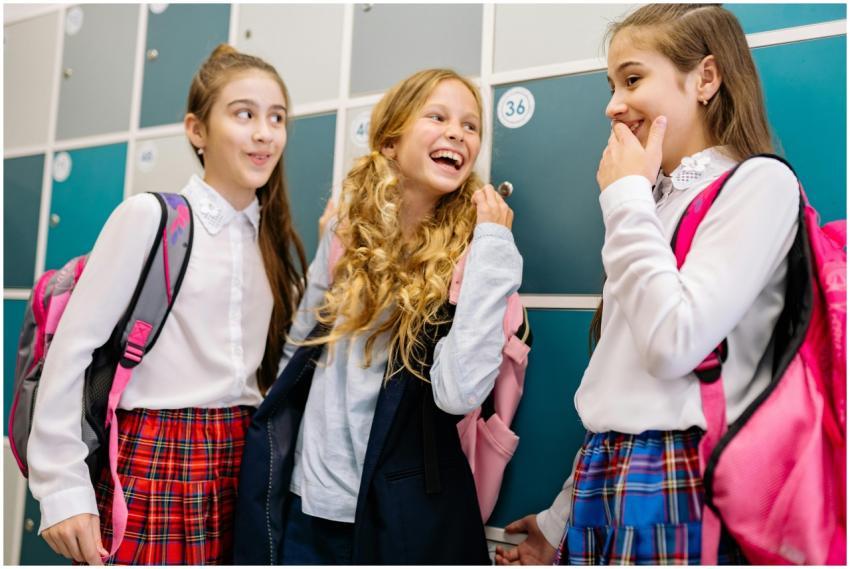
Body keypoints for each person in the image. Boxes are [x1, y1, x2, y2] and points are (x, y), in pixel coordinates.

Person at [496, 4, 799, 565]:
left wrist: (625, 198)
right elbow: (621, 386)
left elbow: (673, 345)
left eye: (633, 79)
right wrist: (560, 518)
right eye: (612, 84)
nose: (613, 104)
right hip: (606, 471)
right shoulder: (650, 199)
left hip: (681, 475)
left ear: (705, 78)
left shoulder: (758, 183)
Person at [27, 44, 307, 565]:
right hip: (157, 457)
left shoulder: (272, 244)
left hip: (241, 460)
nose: (265, 133)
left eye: (277, 118)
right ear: (197, 130)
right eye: (244, 114)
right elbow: (72, 352)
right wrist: (62, 487)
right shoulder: (150, 218)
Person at [233, 68, 522, 564]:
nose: (457, 131)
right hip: (309, 502)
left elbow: (459, 393)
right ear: (390, 142)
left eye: (470, 125)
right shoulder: (347, 232)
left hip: (399, 514)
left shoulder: (477, 253)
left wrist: (493, 246)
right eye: (437, 116)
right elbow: (298, 347)